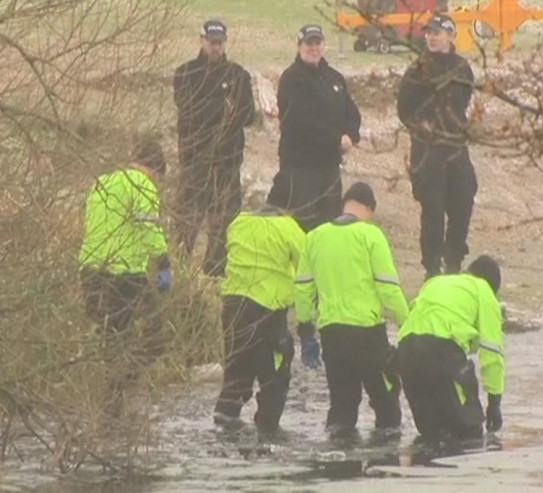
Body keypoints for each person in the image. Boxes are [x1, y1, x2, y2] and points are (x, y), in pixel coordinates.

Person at [294, 182, 409, 437]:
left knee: (342, 407)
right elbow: (388, 289)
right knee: (386, 403)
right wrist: (408, 324)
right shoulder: (371, 235)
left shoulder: (315, 237)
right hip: (368, 334)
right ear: (369, 209)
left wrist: (305, 327)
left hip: (332, 334)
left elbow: (303, 290)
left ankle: (338, 466)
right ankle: (384, 466)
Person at [78, 137, 171, 416]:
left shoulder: (102, 182)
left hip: (91, 273)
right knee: (154, 340)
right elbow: (148, 226)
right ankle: (115, 397)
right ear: (154, 170)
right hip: (123, 277)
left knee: (114, 342)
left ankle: (112, 410)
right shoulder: (142, 184)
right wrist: (164, 262)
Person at [212, 189, 306, 435]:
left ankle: (225, 420)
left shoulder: (238, 223)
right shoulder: (288, 227)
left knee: (236, 371)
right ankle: (267, 431)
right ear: (286, 209)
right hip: (266, 313)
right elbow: (306, 270)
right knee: (274, 375)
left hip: (232, 310)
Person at [173, 19, 256, 276]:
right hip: (195, 160)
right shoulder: (186, 73)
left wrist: (224, 113)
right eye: (212, 42)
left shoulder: (238, 75)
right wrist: (224, 110)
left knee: (225, 220)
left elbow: (248, 115)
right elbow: (191, 111)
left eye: (220, 43)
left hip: (228, 162)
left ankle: (215, 271)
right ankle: (178, 266)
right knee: (188, 217)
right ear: (202, 41)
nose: (216, 48)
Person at [396, 14, 477, 279]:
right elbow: (405, 111)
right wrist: (424, 129)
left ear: (451, 36)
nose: (431, 37)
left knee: (463, 199)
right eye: (429, 33)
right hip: (428, 151)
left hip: (455, 147)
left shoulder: (462, 67)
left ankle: (454, 262)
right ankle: (432, 267)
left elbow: (463, 101)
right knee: (432, 210)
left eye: (437, 32)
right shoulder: (417, 70)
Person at [395, 255, 504, 442]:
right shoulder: (483, 290)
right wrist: (494, 404)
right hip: (441, 351)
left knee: (431, 435)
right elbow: (492, 353)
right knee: (469, 433)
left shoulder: (435, 283)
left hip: (406, 352)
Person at [266, 24, 362, 232]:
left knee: (331, 228)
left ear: (324, 46)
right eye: (309, 43)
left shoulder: (334, 78)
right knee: (303, 228)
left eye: (317, 43)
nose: (313, 48)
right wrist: (336, 139)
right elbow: (301, 122)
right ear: (299, 46)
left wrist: (350, 135)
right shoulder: (291, 79)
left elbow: (352, 113)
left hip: (330, 167)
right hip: (301, 169)